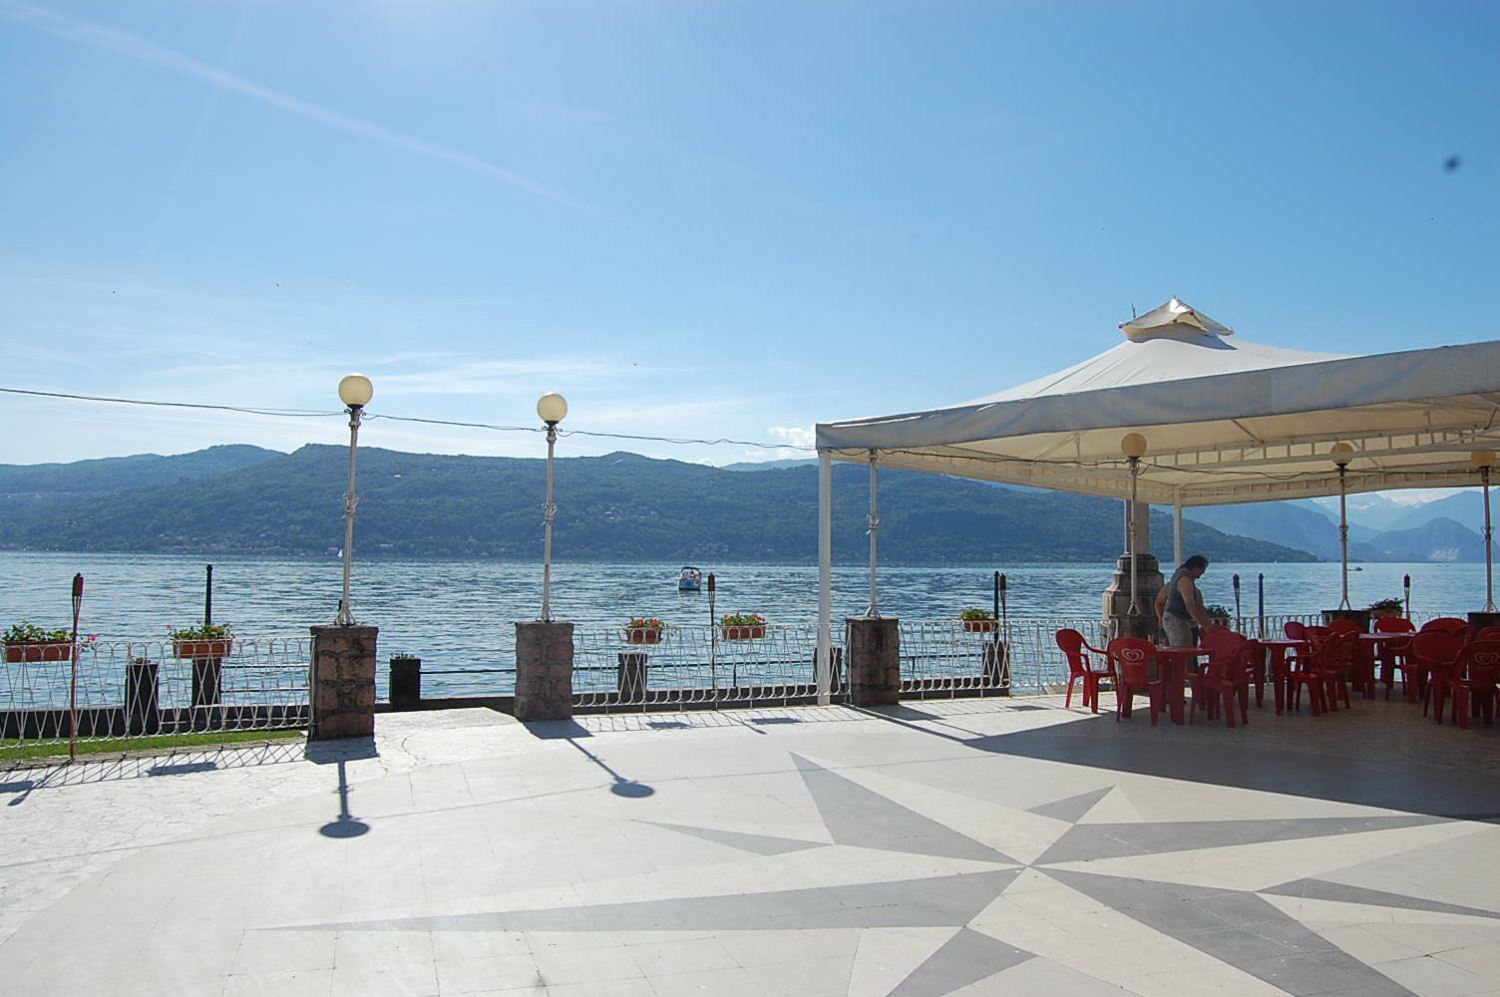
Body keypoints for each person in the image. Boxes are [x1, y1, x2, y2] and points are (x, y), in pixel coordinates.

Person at [1155, 554, 1215, 647]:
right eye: (1202, 569)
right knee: (1182, 649)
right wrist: (1205, 625)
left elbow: (1199, 607)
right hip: (1176, 619)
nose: (1203, 572)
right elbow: (1190, 606)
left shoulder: (1179, 580)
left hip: (1179, 620)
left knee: (1187, 648)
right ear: (1196, 568)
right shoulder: (1184, 580)